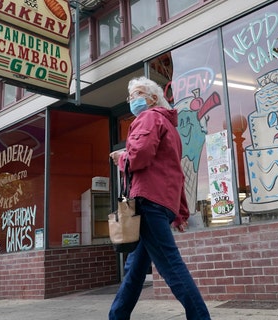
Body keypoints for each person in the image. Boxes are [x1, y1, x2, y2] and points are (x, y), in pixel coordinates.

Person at [108, 77, 211, 320]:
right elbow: (176, 172)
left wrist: (122, 159)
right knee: (134, 269)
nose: (133, 99)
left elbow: (140, 155)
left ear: (153, 98)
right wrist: (180, 212)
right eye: (130, 96)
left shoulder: (149, 117)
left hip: (147, 201)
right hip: (161, 203)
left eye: (138, 93)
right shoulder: (171, 129)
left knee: (171, 266)